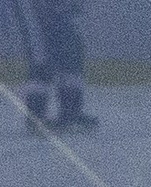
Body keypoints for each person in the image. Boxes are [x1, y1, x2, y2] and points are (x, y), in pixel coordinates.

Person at [8, 0, 95, 132]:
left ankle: (70, 113)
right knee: (42, 59)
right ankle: (36, 117)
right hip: (38, 10)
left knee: (71, 54)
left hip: (60, 10)